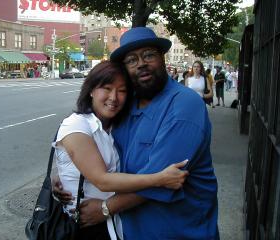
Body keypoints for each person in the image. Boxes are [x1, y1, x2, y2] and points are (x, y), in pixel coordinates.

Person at [54, 27, 219, 239]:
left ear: (162, 57)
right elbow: (89, 143)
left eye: (148, 55)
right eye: (131, 60)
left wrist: (106, 208)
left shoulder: (184, 106)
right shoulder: (125, 104)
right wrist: (65, 174)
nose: (141, 63)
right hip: (128, 230)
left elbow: (164, 181)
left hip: (178, 231)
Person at [52, 60, 189, 240]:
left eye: (122, 91)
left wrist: (55, 175)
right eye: (106, 88)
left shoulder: (114, 127)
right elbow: (103, 180)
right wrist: (160, 179)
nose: (114, 97)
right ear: (91, 90)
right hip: (85, 226)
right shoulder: (77, 124)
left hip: (112, 224)